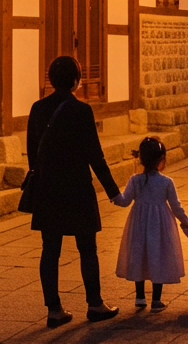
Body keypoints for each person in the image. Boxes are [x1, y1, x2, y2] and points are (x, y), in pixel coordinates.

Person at [27, 56, 121, 328]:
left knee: (50, 249)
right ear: (76, 80)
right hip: (77, 187)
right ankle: (94, 303)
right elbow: (95, 154)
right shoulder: (81, 111)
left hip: (48, 188)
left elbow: (33, 150)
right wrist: (113, 190)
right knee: (87, 247)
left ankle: (54, 310)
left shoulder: (37, 108)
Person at [111, 137, 188, 312]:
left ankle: (140, 297)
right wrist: (185, 222)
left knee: (139, 255)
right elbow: (176, 206)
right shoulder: (166, 182)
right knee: (158, 256)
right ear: (161, 159)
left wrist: (113, 195)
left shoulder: (135, 180)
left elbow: (124, 201)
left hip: (138, 222)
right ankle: (156, 300)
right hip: (160, 223)